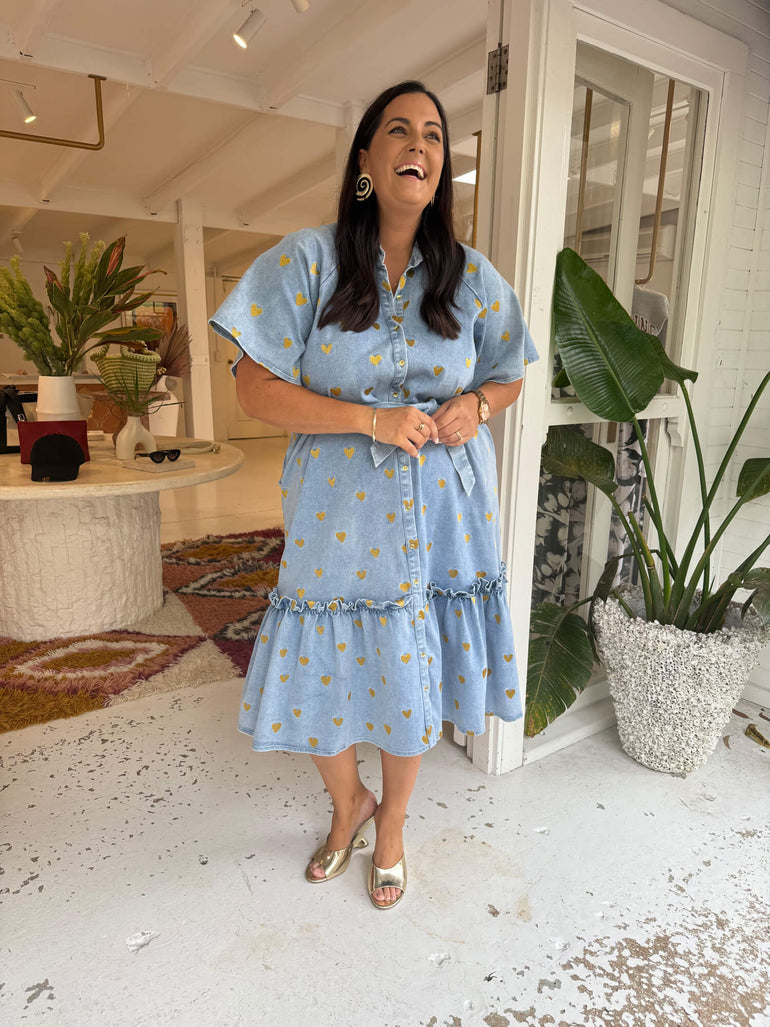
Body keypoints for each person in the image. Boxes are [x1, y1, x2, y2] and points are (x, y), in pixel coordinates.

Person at [209, 80, 538, 910]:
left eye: (432, 134)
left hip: (444, 510)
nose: (418, 145)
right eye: (398, 130)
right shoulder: (307, 261)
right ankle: (345, 801)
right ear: (366, 158)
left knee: (410, 664)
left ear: (442, 166)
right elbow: (252, 388)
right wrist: (369, 419)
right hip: (336, 508)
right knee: (324, 653)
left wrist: (476, 404)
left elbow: (512, 371)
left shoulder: (468, 278)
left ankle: (390, 822)